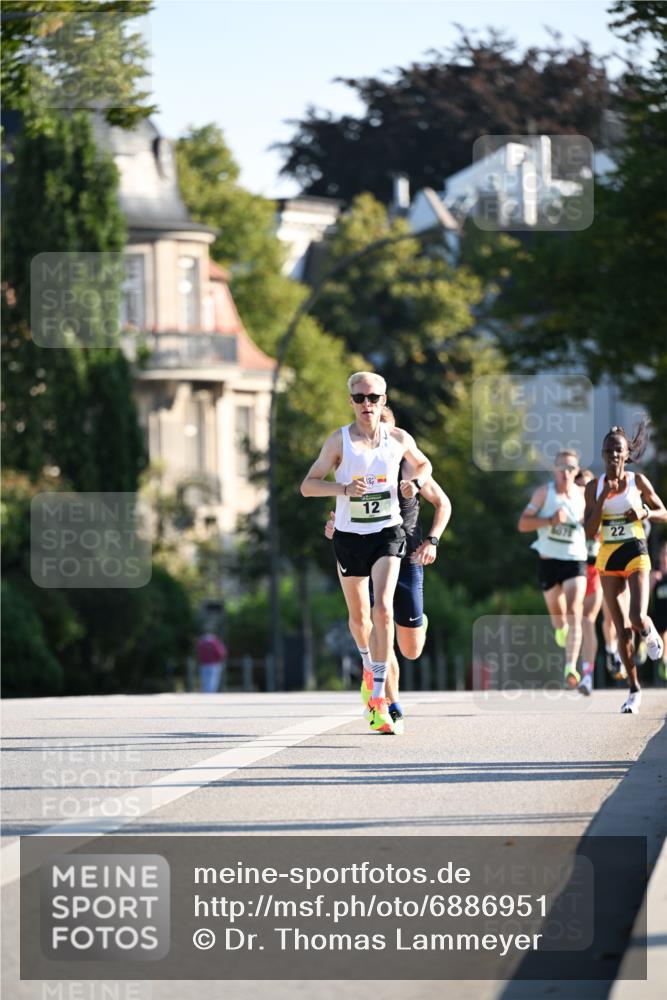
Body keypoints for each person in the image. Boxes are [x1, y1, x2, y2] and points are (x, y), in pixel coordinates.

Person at [301, 372, 432, 734]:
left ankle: (378, 699)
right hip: (349, 537)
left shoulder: (399, 439)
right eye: (359, 398)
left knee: (383, 609)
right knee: (360, 621)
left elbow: (424, 463)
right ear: (351, 401)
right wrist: (343, 488)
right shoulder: (339, 441)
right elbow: (307, 486)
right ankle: (368, 669)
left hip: (387, 533)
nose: (366, 405)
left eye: (373, 398)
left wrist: (414, 483)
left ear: (384, 400)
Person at [325, 406, 452, 734]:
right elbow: (343, 512)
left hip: (407, 557)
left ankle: (418, 621)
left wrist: (433, 541)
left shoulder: (410, 467)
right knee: (376, 624)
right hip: (371, 555)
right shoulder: (358, 468)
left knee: (411, 649)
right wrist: (334, 525)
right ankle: (388, 703)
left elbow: (443, 503)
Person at [584, 421, 667, 714]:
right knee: (621, 631)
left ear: (626, 453)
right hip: (608, 558)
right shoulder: (595, 487)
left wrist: (644, 511)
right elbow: (588, 530)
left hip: (636, 552)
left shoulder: (638, 482)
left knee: (636, 616)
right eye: (607, 451)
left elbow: (663, 513)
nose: (612, 456)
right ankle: (634, 690)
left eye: (617, 450)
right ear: (603, 455)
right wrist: (604, 498)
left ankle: (650, 629)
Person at [518, 450, 587, 687]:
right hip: (548, 562)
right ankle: (560, 629)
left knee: (574, 609)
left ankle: (571, 666)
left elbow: (595, 524)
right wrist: (549, 521)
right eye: (562, 468)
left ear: (576, 471)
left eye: (571, 469)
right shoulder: (543, 493)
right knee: (559, 617)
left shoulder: (583, 496)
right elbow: (523, 524)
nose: (566, 473)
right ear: (555, 470)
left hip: (575, 559)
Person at [574, 469, 604, 695]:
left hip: (595, 571)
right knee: (571, 622)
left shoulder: (602, 510)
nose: (584, 490)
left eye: (587, 486)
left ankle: (587, 674)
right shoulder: (568, 508)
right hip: (570, 571)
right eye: (580, 486)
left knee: (588, 621)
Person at [650, 542, 667, 683]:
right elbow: (646, 594)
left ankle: (665, 661)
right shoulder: (655, 572)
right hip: (658, 614)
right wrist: (653, 581)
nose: (665, 557)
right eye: (663, 554)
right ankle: (641, 648)